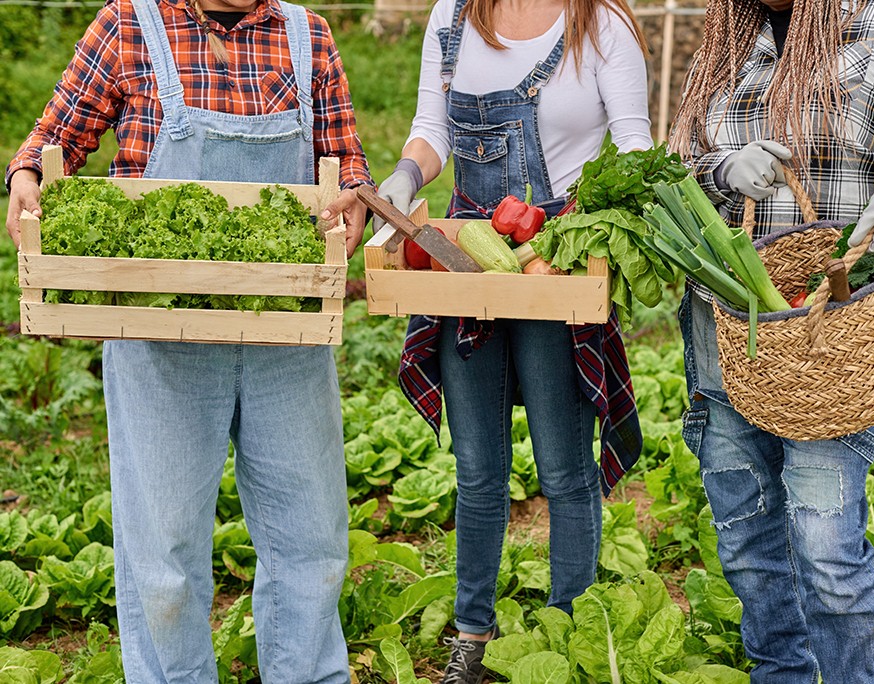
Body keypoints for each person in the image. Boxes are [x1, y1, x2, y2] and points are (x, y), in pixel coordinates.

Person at [5, 0, 371, 680]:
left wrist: (353, 203)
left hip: (284, 338)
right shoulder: (127, 26)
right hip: (159, 341)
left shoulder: (308, 37)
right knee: (163, 564)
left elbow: (347, 168)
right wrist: (25, 178)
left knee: (311, 546)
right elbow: (48, 143)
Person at [667, 0, 874, 680]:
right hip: (723, 328)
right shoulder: (731, 30)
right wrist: (722, 171)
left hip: (826, 338)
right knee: (748, 541)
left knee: (827, 551)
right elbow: (677, 164)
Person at [368, 0, 650, 680]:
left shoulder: (600, 23)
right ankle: (472, 631)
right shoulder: (453, 16)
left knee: (563, 469)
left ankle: (569, 631)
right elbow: (430, 130)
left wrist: (576, 229)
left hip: (559, 257)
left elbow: (636, 145)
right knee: (480, 471)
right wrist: (406, 177)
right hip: (471, 255)